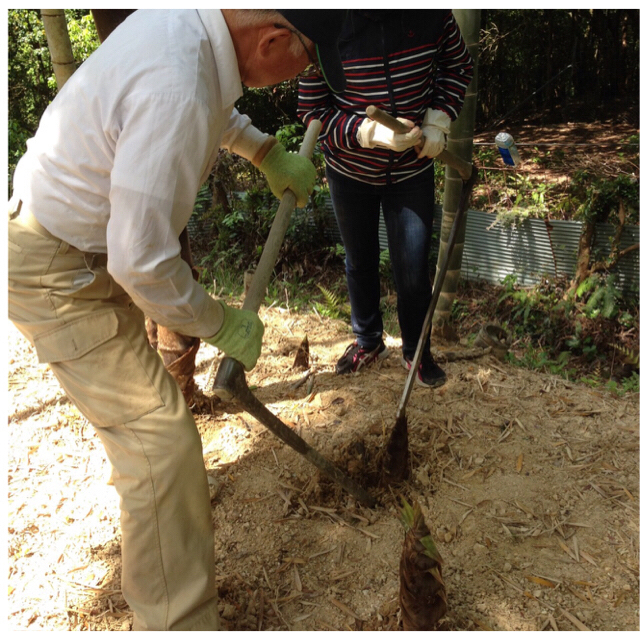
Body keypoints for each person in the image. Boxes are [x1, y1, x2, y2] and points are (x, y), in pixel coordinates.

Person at [8, 9, 347, 631]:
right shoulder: (176, 79)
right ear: (272, 39)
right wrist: (218, 322)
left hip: (78, 248)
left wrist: (263, 149)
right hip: (56, 270)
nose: (303, 74)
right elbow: (142, 262)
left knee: (148, 442)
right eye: (307, 56)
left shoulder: (188, 26)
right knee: (160, 446)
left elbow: (210, 104)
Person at [298, 9, 473, 387]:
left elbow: (457, 65)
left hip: (412, 169)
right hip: (349, 170)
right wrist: (364, 132)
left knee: (412, 269)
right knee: (359, 259)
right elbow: (312, 112)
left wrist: (439, 119)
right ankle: (368, 342)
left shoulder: (432, 14)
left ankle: (416, 351)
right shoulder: (324, 22)